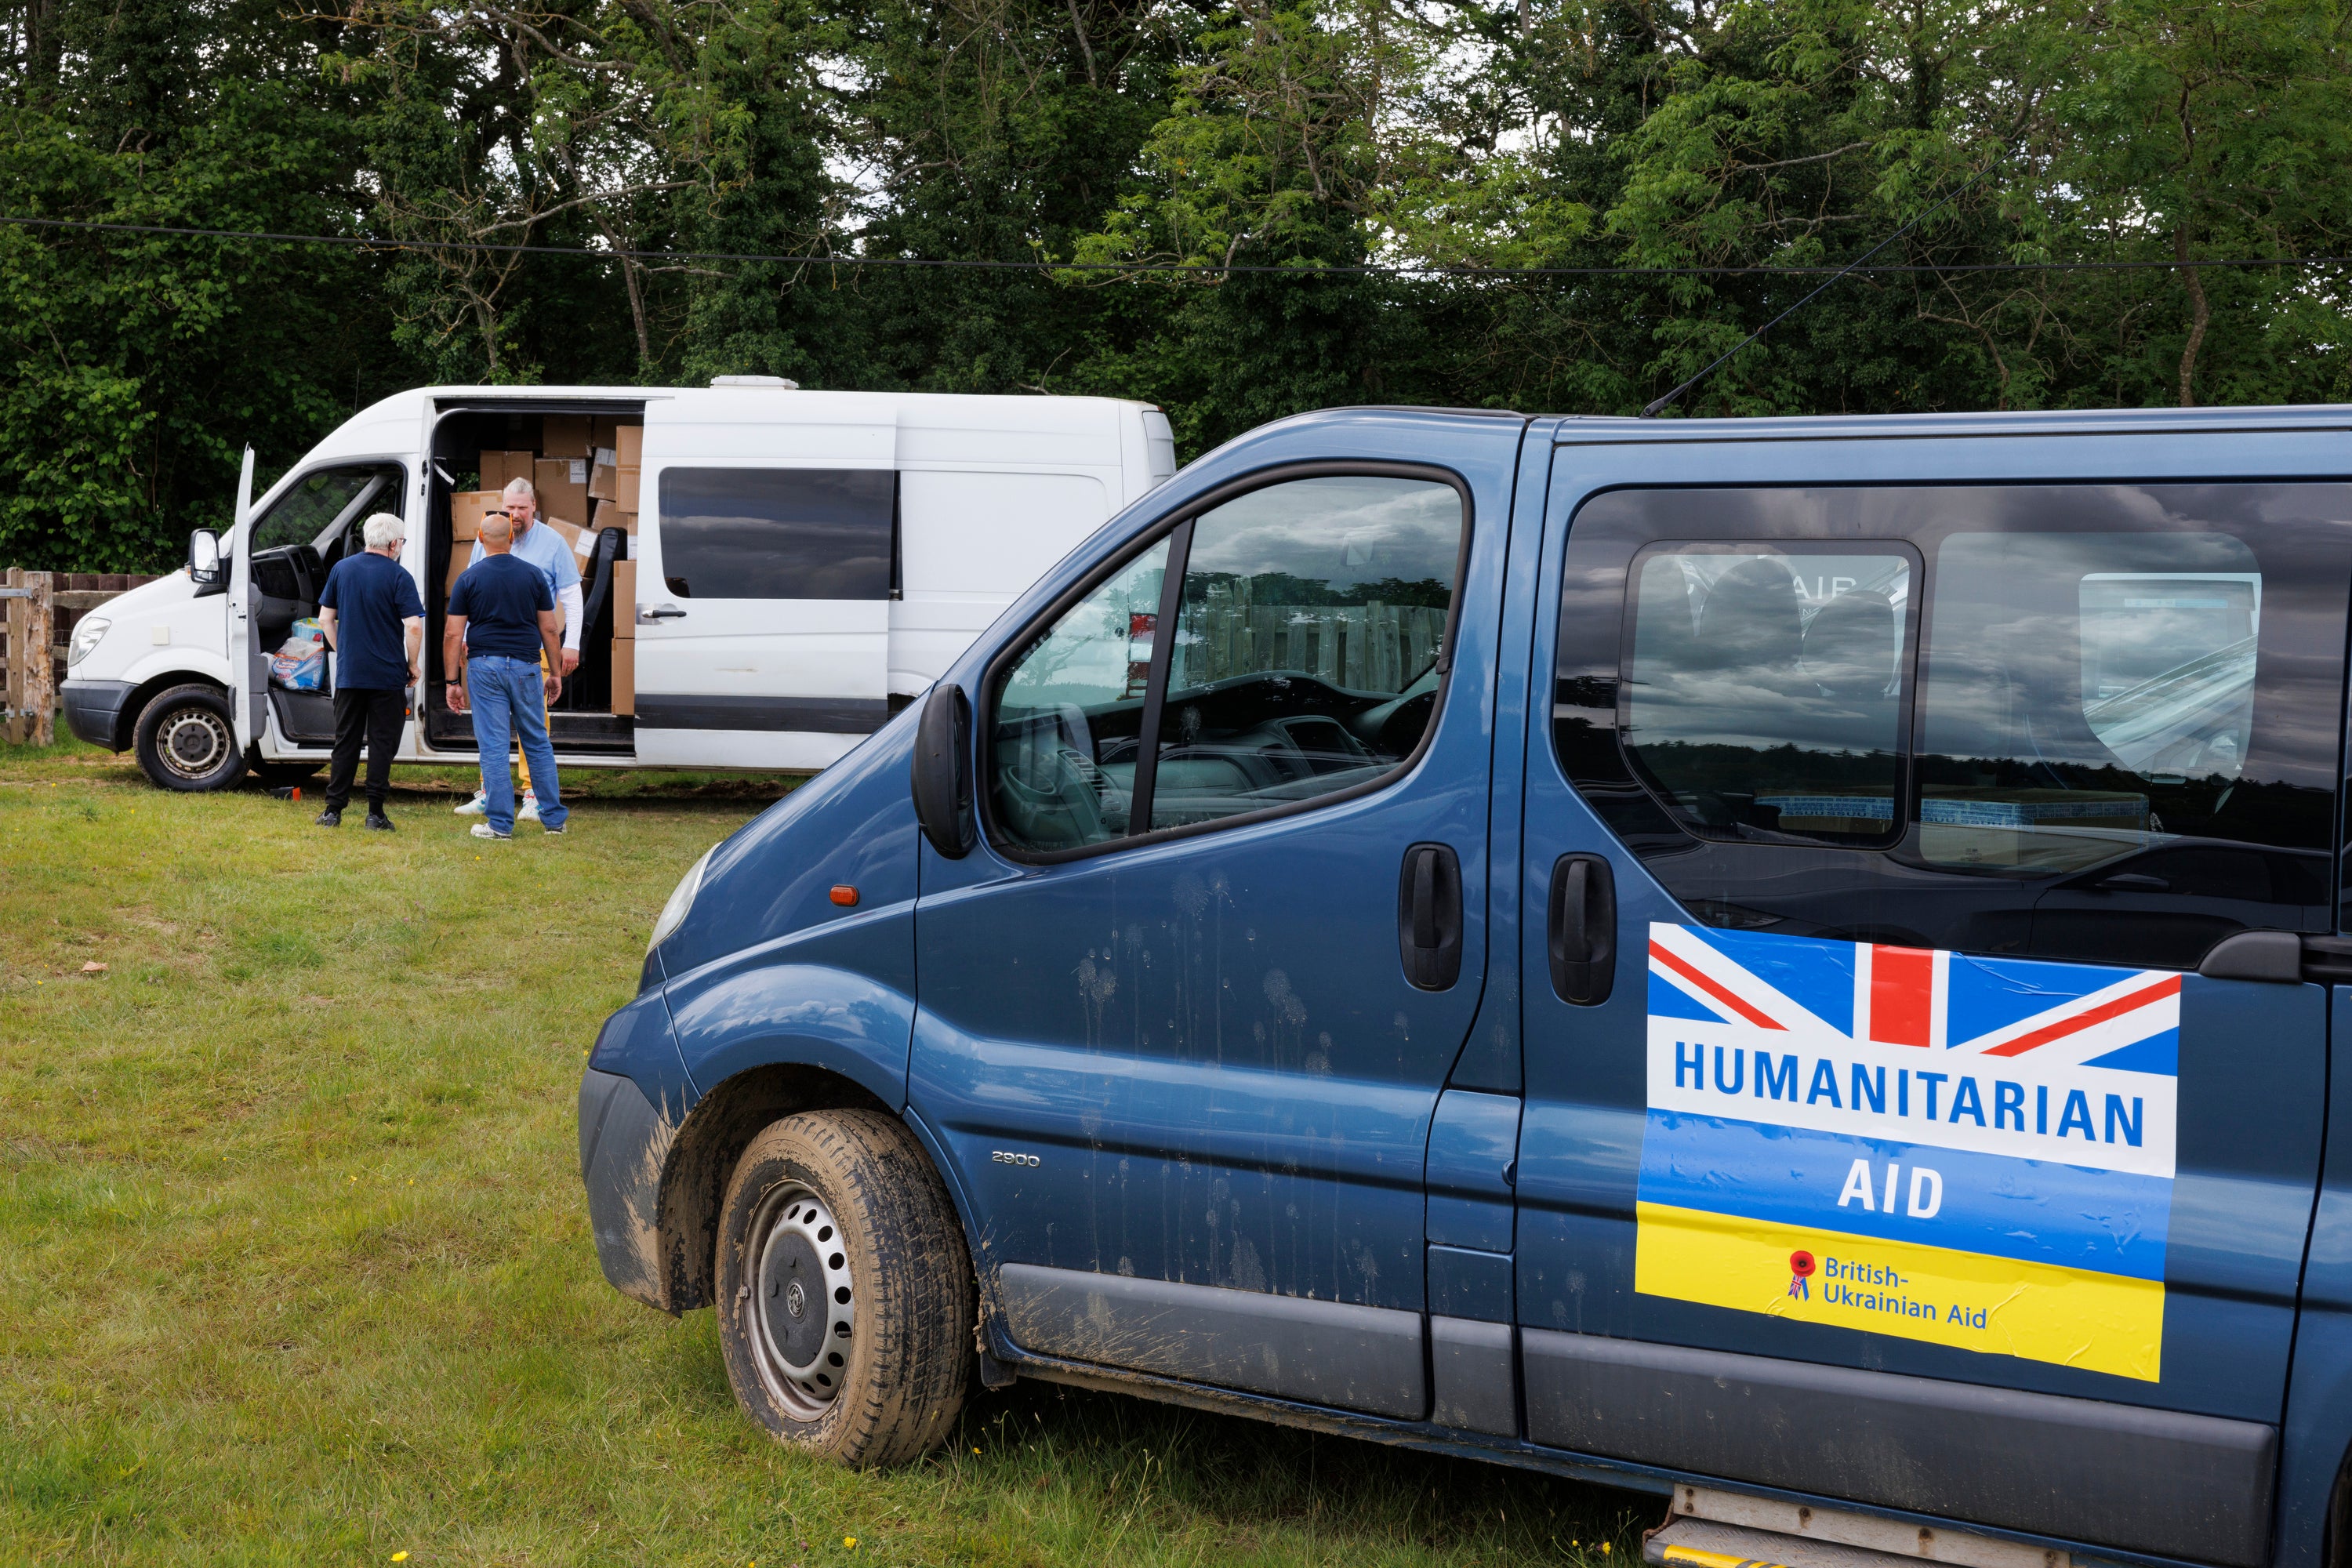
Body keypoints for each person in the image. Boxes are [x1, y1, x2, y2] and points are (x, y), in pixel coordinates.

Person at [452, 475, 583, 822]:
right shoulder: (489, 534)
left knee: (532, 731)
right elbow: (470, 589)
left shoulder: (553, 543)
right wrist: (466, 633)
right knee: (493, 731)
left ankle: (531, 796)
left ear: (534, 506)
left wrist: (571, 646)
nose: (515, 514)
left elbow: (570, 596)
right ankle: (490, 794)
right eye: (509, 507)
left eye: (521, 508)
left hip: (535, 650)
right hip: (489, 651)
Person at [314, 511, 423, 830]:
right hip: (387, 675)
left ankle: (333, 811)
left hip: (350, 673)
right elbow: (414, 627)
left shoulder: (341, 569)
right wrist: (412, 664)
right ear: (393, 543)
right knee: (381, 742)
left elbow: (325, 619)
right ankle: (375, 813)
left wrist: (342, 650)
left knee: (345, 740)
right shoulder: (399, 576)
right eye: (401, 541)